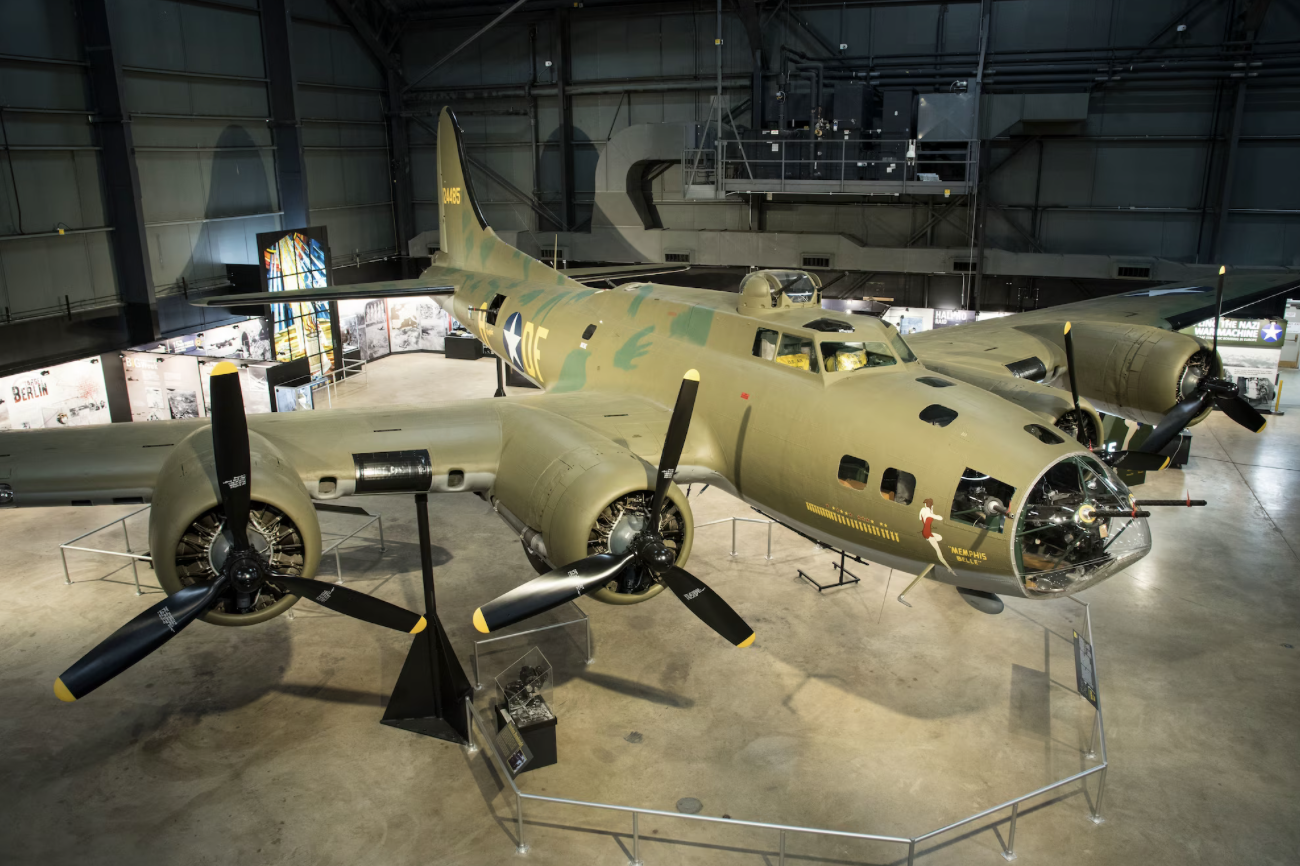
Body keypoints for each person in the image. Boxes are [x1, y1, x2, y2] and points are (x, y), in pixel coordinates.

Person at [919, 498, 955, 575]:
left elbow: (920, 518)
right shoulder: (929, 514)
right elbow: (940, 518)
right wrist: (932, 513)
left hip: (925, 532)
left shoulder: (923, 510)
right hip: (928, 534)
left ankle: (929, 539)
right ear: (931, 505)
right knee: (939, 553)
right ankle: (949, 568)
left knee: (940, 537)